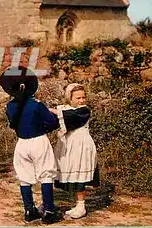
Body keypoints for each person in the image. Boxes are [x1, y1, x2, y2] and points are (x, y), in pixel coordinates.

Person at [0, 66, 62, 224]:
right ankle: (48, 211)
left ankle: (29, 210)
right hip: (39, 140)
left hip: (21, 144)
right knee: (46, 175)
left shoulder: (10, 106)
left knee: (24, 177)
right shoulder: (36, 105)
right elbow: (51, 122)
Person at [51, 83, 100, 219]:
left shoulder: (84, 110)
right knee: (73, 174)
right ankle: (77, 205)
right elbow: (57, 120)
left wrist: (53, 111)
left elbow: (70, 116)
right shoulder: (65, 109)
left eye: (83, 97)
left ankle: (81, 206)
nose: (82, 100)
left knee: (80, 176)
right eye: (78, 98)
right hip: (69, 145)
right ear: (70, 98)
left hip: (81, 145)